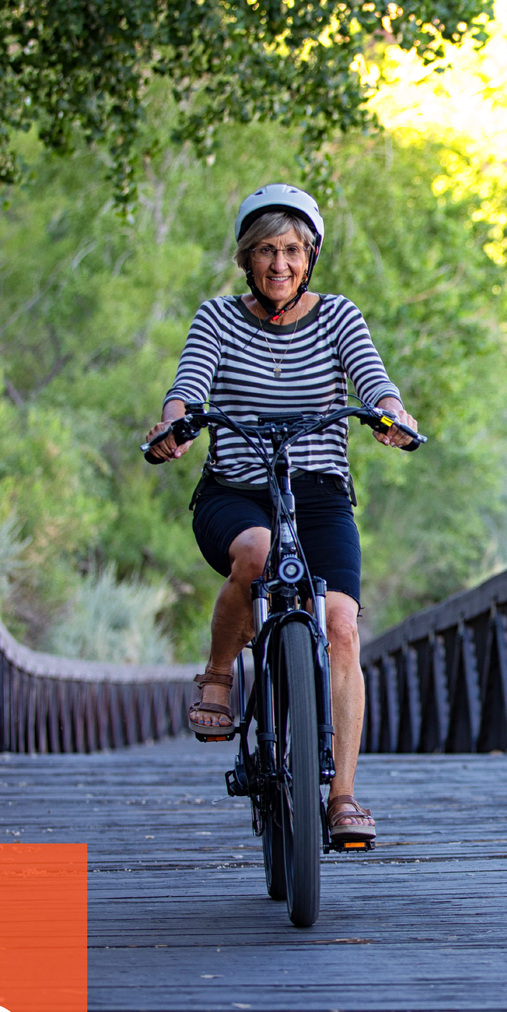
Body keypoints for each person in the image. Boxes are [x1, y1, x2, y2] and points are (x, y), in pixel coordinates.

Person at [144, 183, 418, 848]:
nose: (279, 265)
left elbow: (372, 379)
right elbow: (189, 385)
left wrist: (394, 414)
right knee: (259, 552)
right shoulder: (215, 318)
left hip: (318, 493)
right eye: (265, 250)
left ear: (310, 256)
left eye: (292, 251)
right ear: (245, 258)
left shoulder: (339, 317)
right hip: (234, 493)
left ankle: (344, 795)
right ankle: (217, 676)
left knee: (343, 623)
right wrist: (174, 424)